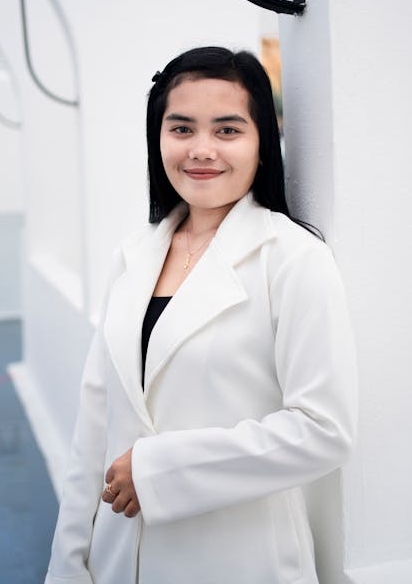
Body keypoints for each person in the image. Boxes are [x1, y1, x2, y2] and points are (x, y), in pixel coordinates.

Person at [45, 46, 357, 584]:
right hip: (120, 559)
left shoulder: (294, 259)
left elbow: (324, 430)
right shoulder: (133, 254)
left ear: (263, 145)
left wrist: (160, 470)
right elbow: (94, 425)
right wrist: (68, 563)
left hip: (241, 561)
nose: (201, 150)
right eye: (182, 128)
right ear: (157, 139)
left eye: (229, 130)